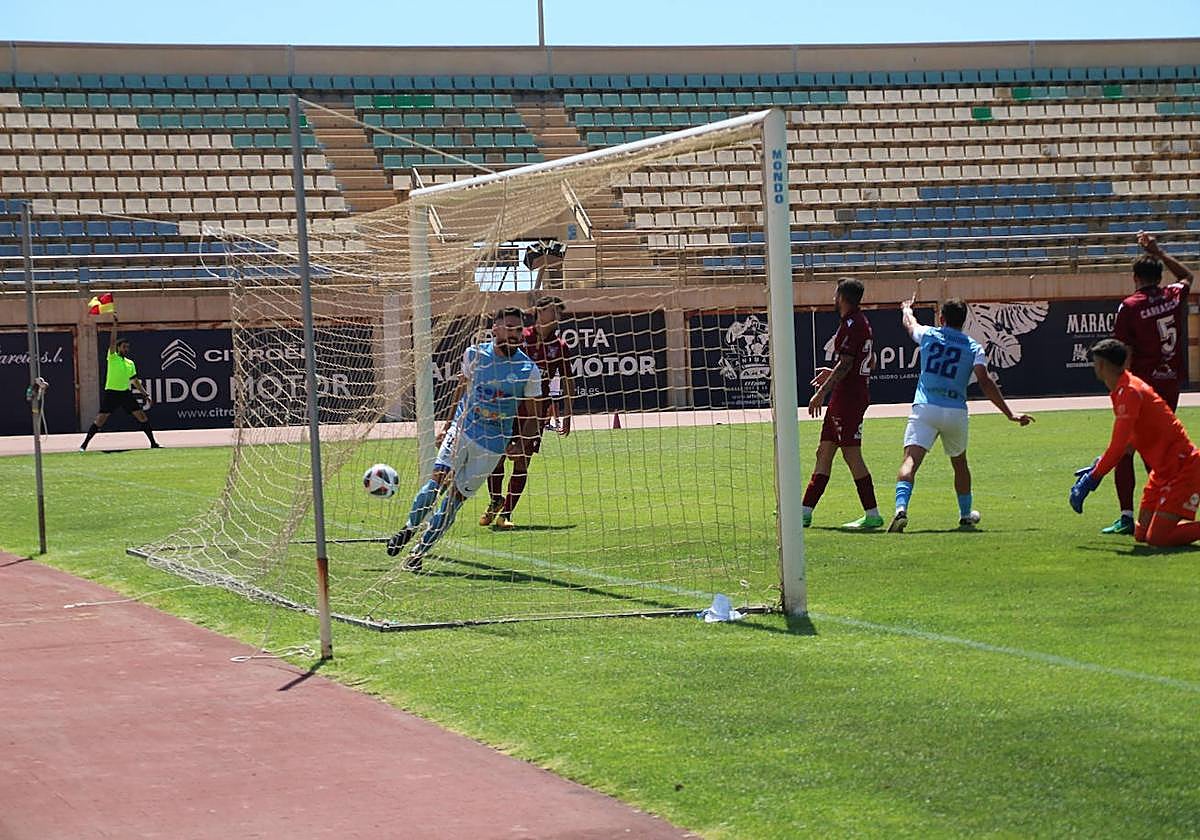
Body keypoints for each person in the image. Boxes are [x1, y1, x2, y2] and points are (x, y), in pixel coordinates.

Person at [386, 307, 541, 571]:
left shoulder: (528, 369)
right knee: (436, 483)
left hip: (492, 447)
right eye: (510, 328)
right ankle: (409, 528)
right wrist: (447, 425)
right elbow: (461, 387)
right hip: (462, 431)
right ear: (496, 329)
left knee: (454, 501)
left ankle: (417, 553)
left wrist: (521, 443)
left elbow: (535, 413)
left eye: (518, 329)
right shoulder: (475, 354)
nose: (515, 334)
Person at [889, 295, 1034, 533]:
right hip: (955, 410)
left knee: (910, 462)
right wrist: (1009, 413)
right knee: (960, 464)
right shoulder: (973, 346)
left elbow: (909, 324)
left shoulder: (929, 334)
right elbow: (985, 381)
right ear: (964, 322)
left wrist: (906, 308)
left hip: (925, 407)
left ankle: (901, 510)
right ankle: (966, 515)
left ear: (941, 318)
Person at [1101, 233, 1194, 535]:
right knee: (1158, 449)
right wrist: (1159, 251)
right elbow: (1187, 276)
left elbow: (1122, 351)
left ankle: (1127, 516)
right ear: (1159, 276)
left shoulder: (1130, 305)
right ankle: (1164, 505)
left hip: (1144, 388)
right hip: (1171, 383)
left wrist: (1120, 388)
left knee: (1125, 450)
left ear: (1135, 278)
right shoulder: (1173, 294)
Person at [1070, 338, 1200, 547]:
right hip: (1163, 470)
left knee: (1157, 539)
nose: (1095, 366)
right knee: (1142, 533)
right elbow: (1128, 443)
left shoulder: (1130, 391)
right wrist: (1099, 464)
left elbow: (1119, 446)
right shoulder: (1123, 389)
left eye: (1095, 362)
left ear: (1102, 365)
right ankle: (1169, 523)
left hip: (1182, 467)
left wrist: (1092, 479)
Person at [480, 295, 574, 530]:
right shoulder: (521, 338)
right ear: (539, 312)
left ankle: (506, 514)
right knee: (496, 458)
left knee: (522, 462)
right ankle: (495, 500)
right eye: (549, 310)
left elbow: (568, 381)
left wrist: (567, 414)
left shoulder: (560, 346)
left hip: (535, 412)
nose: (553, 315)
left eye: (556, 312)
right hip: (508, 406)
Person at [804, 278, 881, 529]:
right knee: (824, 452)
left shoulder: (852, 324)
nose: (833, 296)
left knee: (851, 453)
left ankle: (872, 514)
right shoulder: (862, 322)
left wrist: (821, 393)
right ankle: (804, 512)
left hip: (848, 399)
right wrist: (832, 373)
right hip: (846, 396)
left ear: (842, 296)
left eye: (836, 293)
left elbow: (849, 363)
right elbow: (869, 362)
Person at [79, 315, 159, 451]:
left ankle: (153, 443)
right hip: (112, 394)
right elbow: (112, 341)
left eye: (127, 347)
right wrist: (115, 325)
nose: (126, 349)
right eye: (123, 347)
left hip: (125, 394)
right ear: (118, 348)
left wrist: (145, 395)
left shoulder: (130, 363)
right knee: (100, 420)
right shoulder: (112, 357)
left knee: (142, 417)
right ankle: (84, 445)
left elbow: (135, 381)